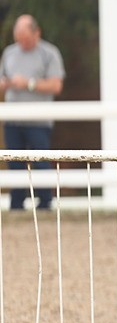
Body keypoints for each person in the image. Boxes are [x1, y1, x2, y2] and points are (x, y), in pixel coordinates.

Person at [0, 15, 65, 210]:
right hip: (13, 119)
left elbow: (56, 85)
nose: (22, 43)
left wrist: (29, 83)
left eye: (26, 39)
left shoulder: (49, 53)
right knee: (15, 163)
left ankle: (45, 203)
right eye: (18, 38)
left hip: (38, 120)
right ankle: (17, 204)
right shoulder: (9, 53)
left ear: (37, 33)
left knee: (41, 162)